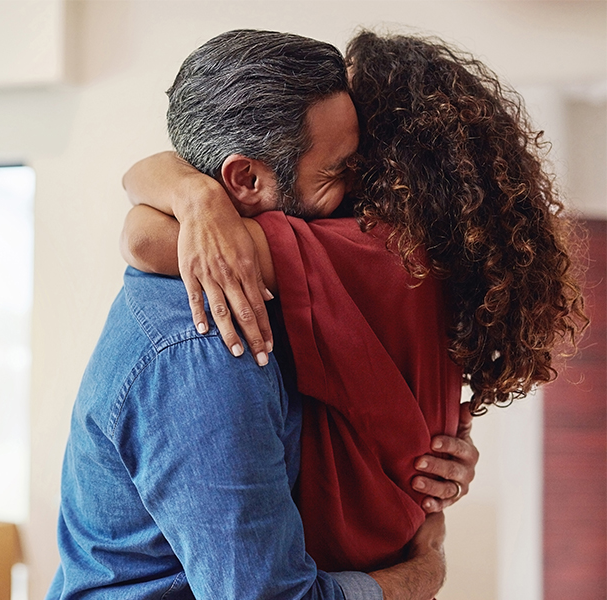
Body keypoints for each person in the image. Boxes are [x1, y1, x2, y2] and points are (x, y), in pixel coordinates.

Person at [122, 30, 588, 573]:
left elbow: (144, 241)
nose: (343, 184)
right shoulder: (422, 257)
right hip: (380, 546)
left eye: (350, 164)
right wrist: (194, 192)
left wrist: (194, 196)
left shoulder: (374, 251)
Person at [47, 30, 463, 600]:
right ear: (245, 179)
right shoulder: (210, 346)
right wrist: (423, 573)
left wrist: (433, 453)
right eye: (336, 171)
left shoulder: (275, 292)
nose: (355, 197)